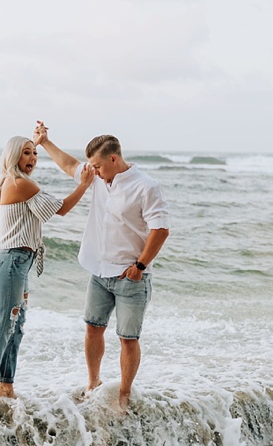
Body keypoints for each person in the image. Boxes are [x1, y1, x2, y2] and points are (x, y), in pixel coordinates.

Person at [33, 121, 170, 413]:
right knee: (93, 329)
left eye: (96, 165)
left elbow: (160, 229)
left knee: (127, 338)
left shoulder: (146, 186)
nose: (91, 171)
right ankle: (93, 384)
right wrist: (44, 142)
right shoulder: (96, 176)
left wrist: (140, 266)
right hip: (98, 272)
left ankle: (124, 393)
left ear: (113, 159)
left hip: (130, 276)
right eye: (90, 166)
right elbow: (68, 163)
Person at [0, 134, 92, 413]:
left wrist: (42, 140)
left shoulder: (14, 183)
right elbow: (60, 209)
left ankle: (6, 385)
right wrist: (84, 184)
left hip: (19, 263)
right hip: (10, 263)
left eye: (34, 154)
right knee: (3, 327)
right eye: (26, 153)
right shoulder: (19, 184)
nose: (32, 159)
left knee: (17, 326)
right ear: (14, 156)